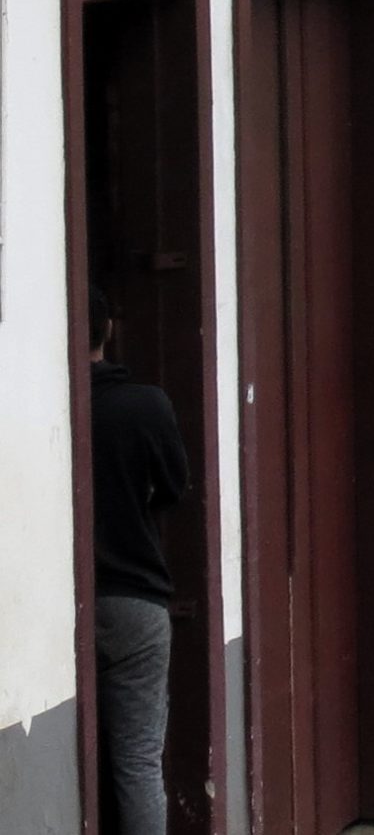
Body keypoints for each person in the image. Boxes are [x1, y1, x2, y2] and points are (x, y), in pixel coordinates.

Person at [90, 285, 188, 835]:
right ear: (109, 331)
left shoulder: (48, 406)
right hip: (135, 600)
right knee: (137, 757)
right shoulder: (145, 406)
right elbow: (174, 488)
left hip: (67, 605)